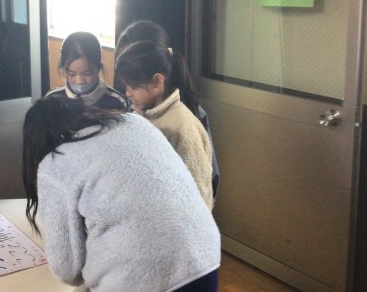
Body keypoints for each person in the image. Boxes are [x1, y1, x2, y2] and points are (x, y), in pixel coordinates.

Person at [22, 96, 220, 292]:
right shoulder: (135, 122)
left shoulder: (55, 163)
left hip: (142, 278)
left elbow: (67, 267)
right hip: (204, 257)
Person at [115, 20, 220, 203]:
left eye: (133, 82)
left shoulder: (185, 122)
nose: (128, 92)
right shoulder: (135, 108)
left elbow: (204, 186)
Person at [45, 31, 128, 111]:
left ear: (99, 67)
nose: (79, 81)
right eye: (72, 74)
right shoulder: (52, 99)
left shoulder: (117, 102)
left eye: (87, 73)